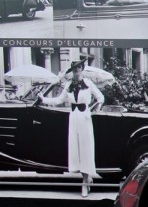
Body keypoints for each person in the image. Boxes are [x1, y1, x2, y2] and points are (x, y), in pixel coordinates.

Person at [39, 59, 104, 197]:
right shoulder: (68, 85)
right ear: (72, 70)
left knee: (86, 149)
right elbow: (58, 100)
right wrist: (43, 100)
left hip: (85, 119)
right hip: (73, 119)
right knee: (77, 150)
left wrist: (92, 110)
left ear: (82, 68)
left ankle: (85, 182)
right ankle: (86, 177)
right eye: (74, 68)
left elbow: (100, 97)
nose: (76, 70)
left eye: (78, 67)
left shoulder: (88, 83)